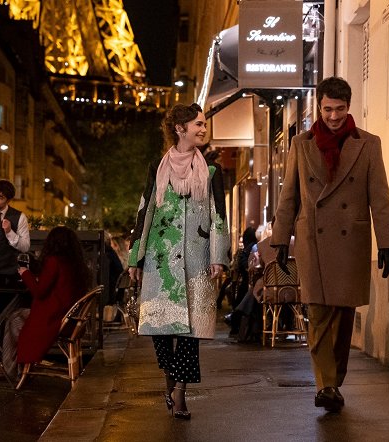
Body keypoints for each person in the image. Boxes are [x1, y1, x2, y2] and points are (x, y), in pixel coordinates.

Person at [270, 76, 389, 412]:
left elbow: (379, 196)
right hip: (313, 239)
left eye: (339, 109)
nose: (333, 116)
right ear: (319, 106)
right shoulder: (301, 143)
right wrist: (281, 239)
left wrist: (388, 242)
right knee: (317, 311)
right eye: (327, 109)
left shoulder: (368, 144)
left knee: (342, 318)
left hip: (351, 241)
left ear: (349, 107)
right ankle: (326, 385)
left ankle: (334, 380)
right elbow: (290, 196)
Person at [128, 103, 230, 420]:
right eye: (197, 124)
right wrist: (135, 258)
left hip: (197, 263)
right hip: (159, 263)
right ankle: (169, 378)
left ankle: (181, 392)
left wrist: (218, 257)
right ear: (179, 128)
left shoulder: (212, 172)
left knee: (190, 333)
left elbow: (219, 217)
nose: (203, 129)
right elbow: (144, 214)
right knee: (161, 329)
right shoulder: (157, 169)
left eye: (204, 124)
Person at [2, 226, 90, 379]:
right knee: (18, 320)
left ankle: (15, 368)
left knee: (14, 318)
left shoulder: (54, 261)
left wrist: (25, 274)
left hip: (55, 320)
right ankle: (20, 365)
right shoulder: (77, 265)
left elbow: (39, 292)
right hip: (73, 321)